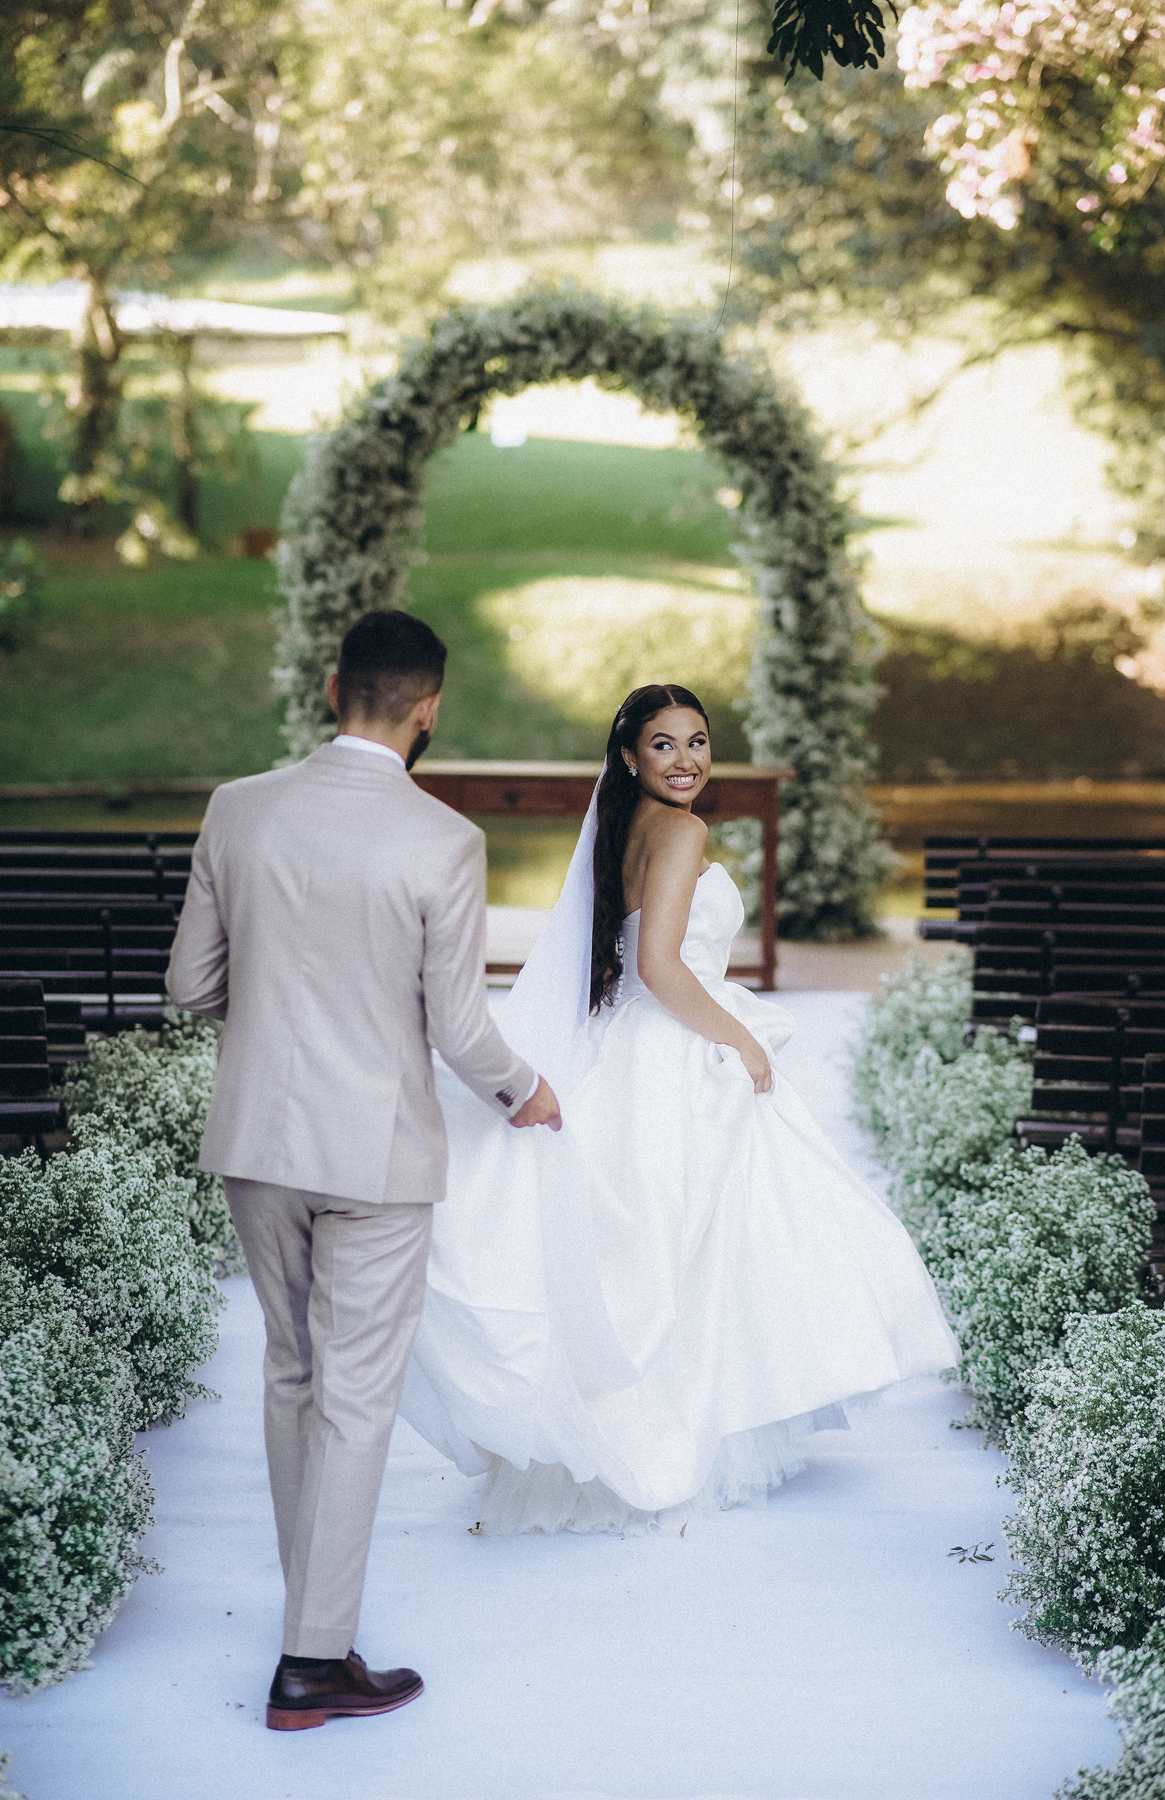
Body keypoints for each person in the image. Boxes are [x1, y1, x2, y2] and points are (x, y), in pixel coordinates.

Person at [399, 683, 960, 1534]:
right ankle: (676, 1433)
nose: (687, 759)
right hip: (673, 1047)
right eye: (664, 744)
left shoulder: (624, 826)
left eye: (698, 741)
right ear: (630, 756)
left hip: (628, 1043)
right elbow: (659, 964)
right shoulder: (683, 831)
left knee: (669, 1247)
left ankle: (653, 1422)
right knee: (690, 1244)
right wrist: (740, 1040)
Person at [165, 610, 561, 1731]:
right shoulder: (444, 841)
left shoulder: (238, 808)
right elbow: (459, 1028)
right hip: (375, 1151)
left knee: (292, 1372)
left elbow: (191, 985)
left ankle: (312, 1625)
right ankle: (311, 1660)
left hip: (259, 1141)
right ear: (428, 710)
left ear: (335, 686)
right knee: (355, 1401)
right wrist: (524, 1090)